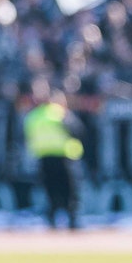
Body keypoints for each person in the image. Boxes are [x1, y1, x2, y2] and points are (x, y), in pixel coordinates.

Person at [23, 81, 84, 230]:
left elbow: (27, 137)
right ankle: (72, 221)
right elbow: (78, 130)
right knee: (69, 191)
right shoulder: (59, 113)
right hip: (64, 156)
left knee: (50, 191)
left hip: (43, 157)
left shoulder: (32, 116)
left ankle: (51, 221)